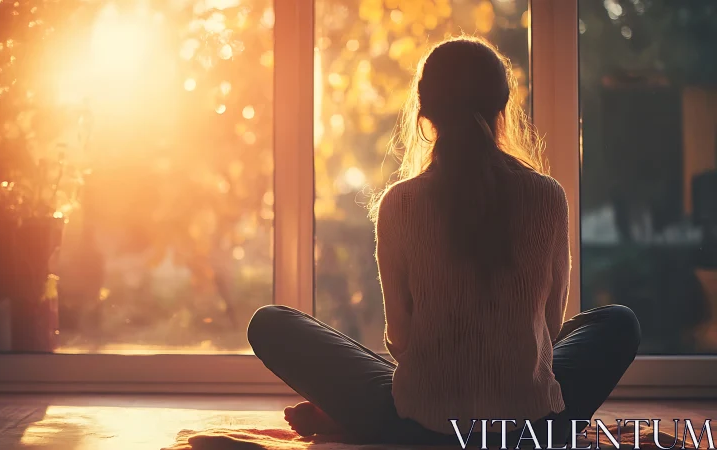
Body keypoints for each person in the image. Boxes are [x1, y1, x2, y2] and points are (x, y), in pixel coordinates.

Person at [247, 36, 641, 447]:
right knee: (618, 323)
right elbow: (551, 325)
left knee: (270, 322)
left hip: (419, 428)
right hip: (532, 428)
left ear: (425, 112)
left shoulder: (399, 203)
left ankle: (354, 417)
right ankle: (364, 416)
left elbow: (400, 339)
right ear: (502, 108)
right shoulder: (548, 196)